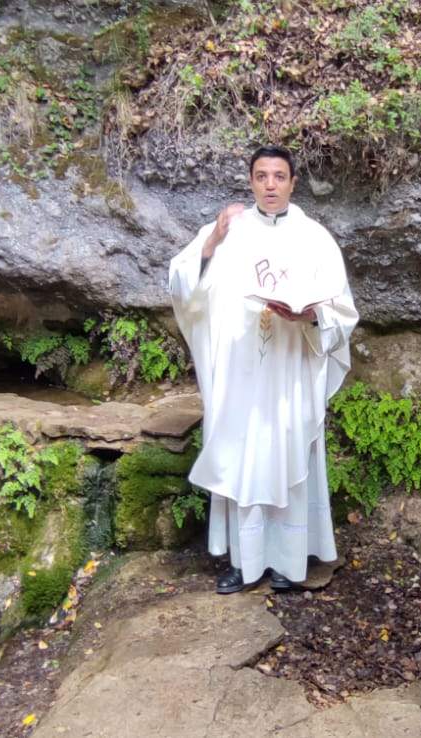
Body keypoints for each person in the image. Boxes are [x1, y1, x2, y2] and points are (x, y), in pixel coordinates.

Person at [167, 145, 359, 594]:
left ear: (293, 182)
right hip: (241, 374)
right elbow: (181, 282)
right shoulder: (230, 231)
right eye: (261, 176)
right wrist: (211, 240)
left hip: (291, 370)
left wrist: (309, 316)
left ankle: (289, 564)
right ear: (250, 181)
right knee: (243, 460)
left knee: (286, 454)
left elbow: (343, 310)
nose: (270, 184)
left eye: (279, 176)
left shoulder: (315, 238)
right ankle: (244, 562)